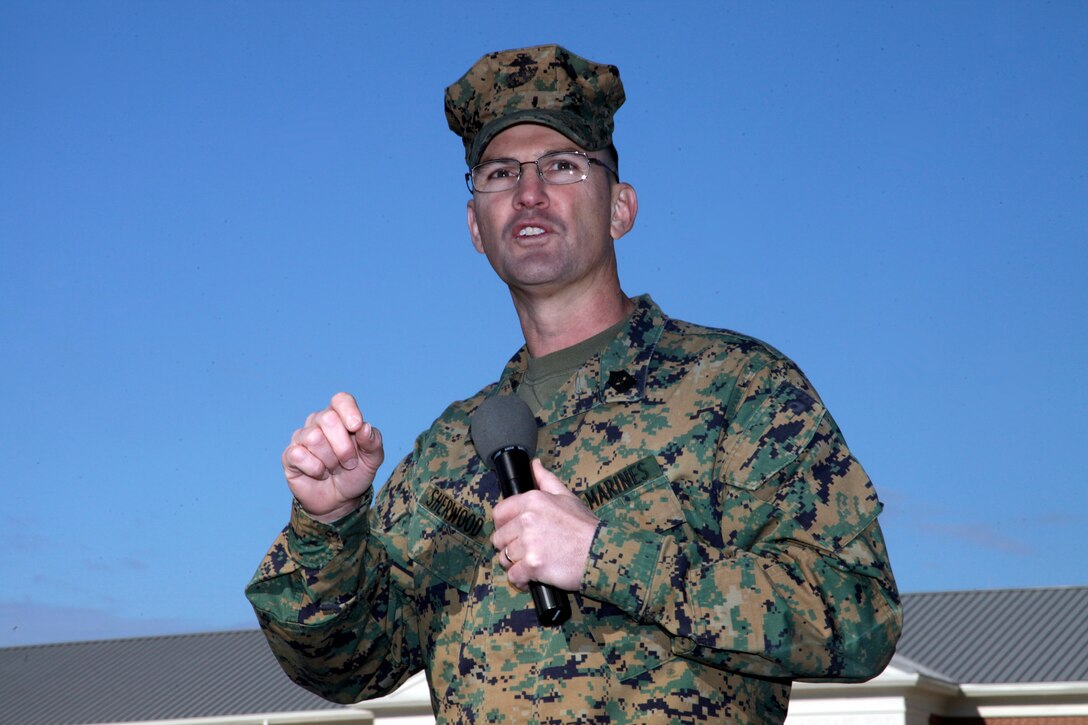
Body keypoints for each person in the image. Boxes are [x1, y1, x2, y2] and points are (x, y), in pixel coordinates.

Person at [246, 44, 902, 724]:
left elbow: (859, 616)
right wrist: (330, 526)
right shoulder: (449, 447)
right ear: (476, 227)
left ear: (620, 208)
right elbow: (349, 663)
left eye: (562, 165)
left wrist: (605, 556)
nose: (528, 193)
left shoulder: (737, 387)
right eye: (500, 173)